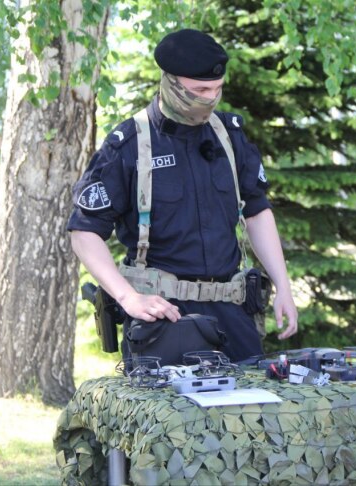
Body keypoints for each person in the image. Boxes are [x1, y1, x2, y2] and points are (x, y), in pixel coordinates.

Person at [67, 28, 298, 363]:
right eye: (200, 90)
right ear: (171, 82)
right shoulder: (130, 144)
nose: (210, 99)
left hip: (233, 317)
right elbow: (84, 232)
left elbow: (257, 212)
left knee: (252, 397)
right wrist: (128, 297)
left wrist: (283, 286)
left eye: (217, 89)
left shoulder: (230, 138)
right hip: (164, 320)